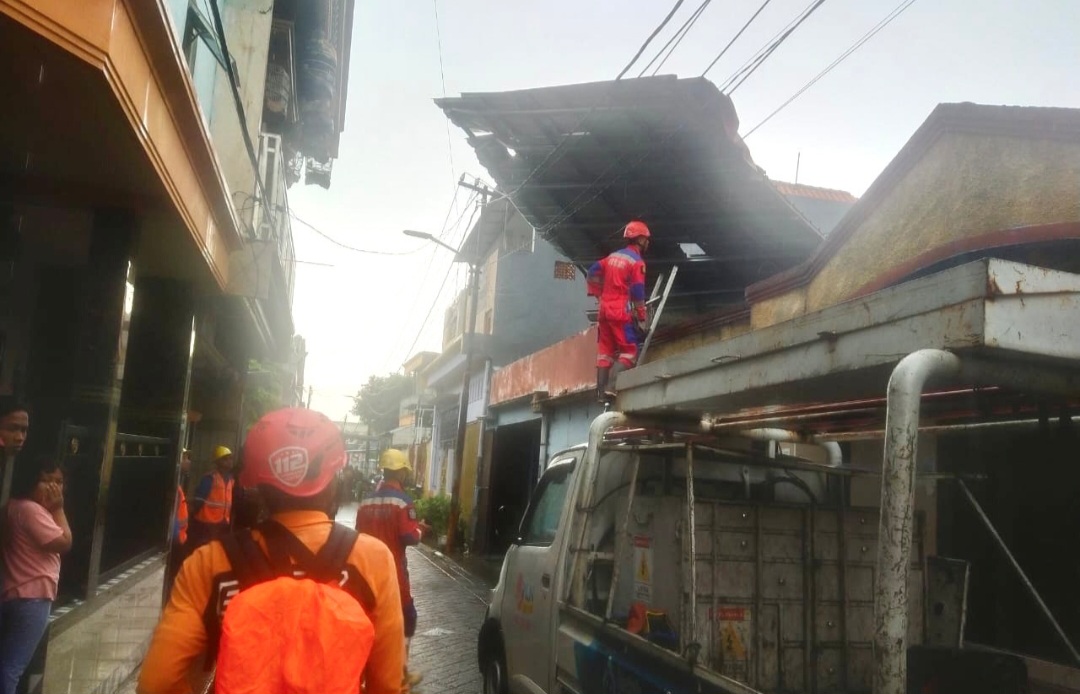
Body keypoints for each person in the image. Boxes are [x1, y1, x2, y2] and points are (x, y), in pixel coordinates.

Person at [138, 408, 405, 694]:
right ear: (333, 482)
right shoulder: (373, 559)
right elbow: (387, 685)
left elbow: (157, 683)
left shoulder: (209, 563)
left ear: (257, 486)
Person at [356, 449, 430, 688]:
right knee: (407, 618)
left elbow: (357, 535)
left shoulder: (365, 501)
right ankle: (400, 672)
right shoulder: (402, 501)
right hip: (393, 574)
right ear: (400, 472)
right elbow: (410, 536)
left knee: (367, 621)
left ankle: (364, 674)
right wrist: (421, 529)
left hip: (364, 573)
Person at [0, 458, 72, 694]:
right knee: (12, 667)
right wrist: (59, 507)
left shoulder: (14, 506)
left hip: (14, 592)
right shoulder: (32, 510)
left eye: (59, 482)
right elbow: (64, 542)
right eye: (45, 481)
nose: (53, 488)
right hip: (33, 597)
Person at [587, 220, 651, 400]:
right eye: (646, 239)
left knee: (605, 352)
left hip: (604, 310)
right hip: (619, 311)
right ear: (639, 239)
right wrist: (641, 317)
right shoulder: (637, 262)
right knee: (630, 352)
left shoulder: (611, 257)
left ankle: (600, 393)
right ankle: (611, 387)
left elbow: (592, 272)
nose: (647, 243)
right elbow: (638, 292)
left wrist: (599, 294)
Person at [188, 446, 235, 549]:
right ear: (218, 462)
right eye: (226, 459)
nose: (230, 461)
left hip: (222, 522)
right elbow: (198, 500)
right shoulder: (210, 478)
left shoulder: (231, 480)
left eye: (231, 458)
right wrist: (194, 517)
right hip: (207, 523)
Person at [164, 449, 192, 594]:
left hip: (179, 540)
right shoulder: (175, 488)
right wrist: (174, 539)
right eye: (185, 457)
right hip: (176, 542)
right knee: (173, 575)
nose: (188, 461)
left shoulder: (178, 484)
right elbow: (173, 518)